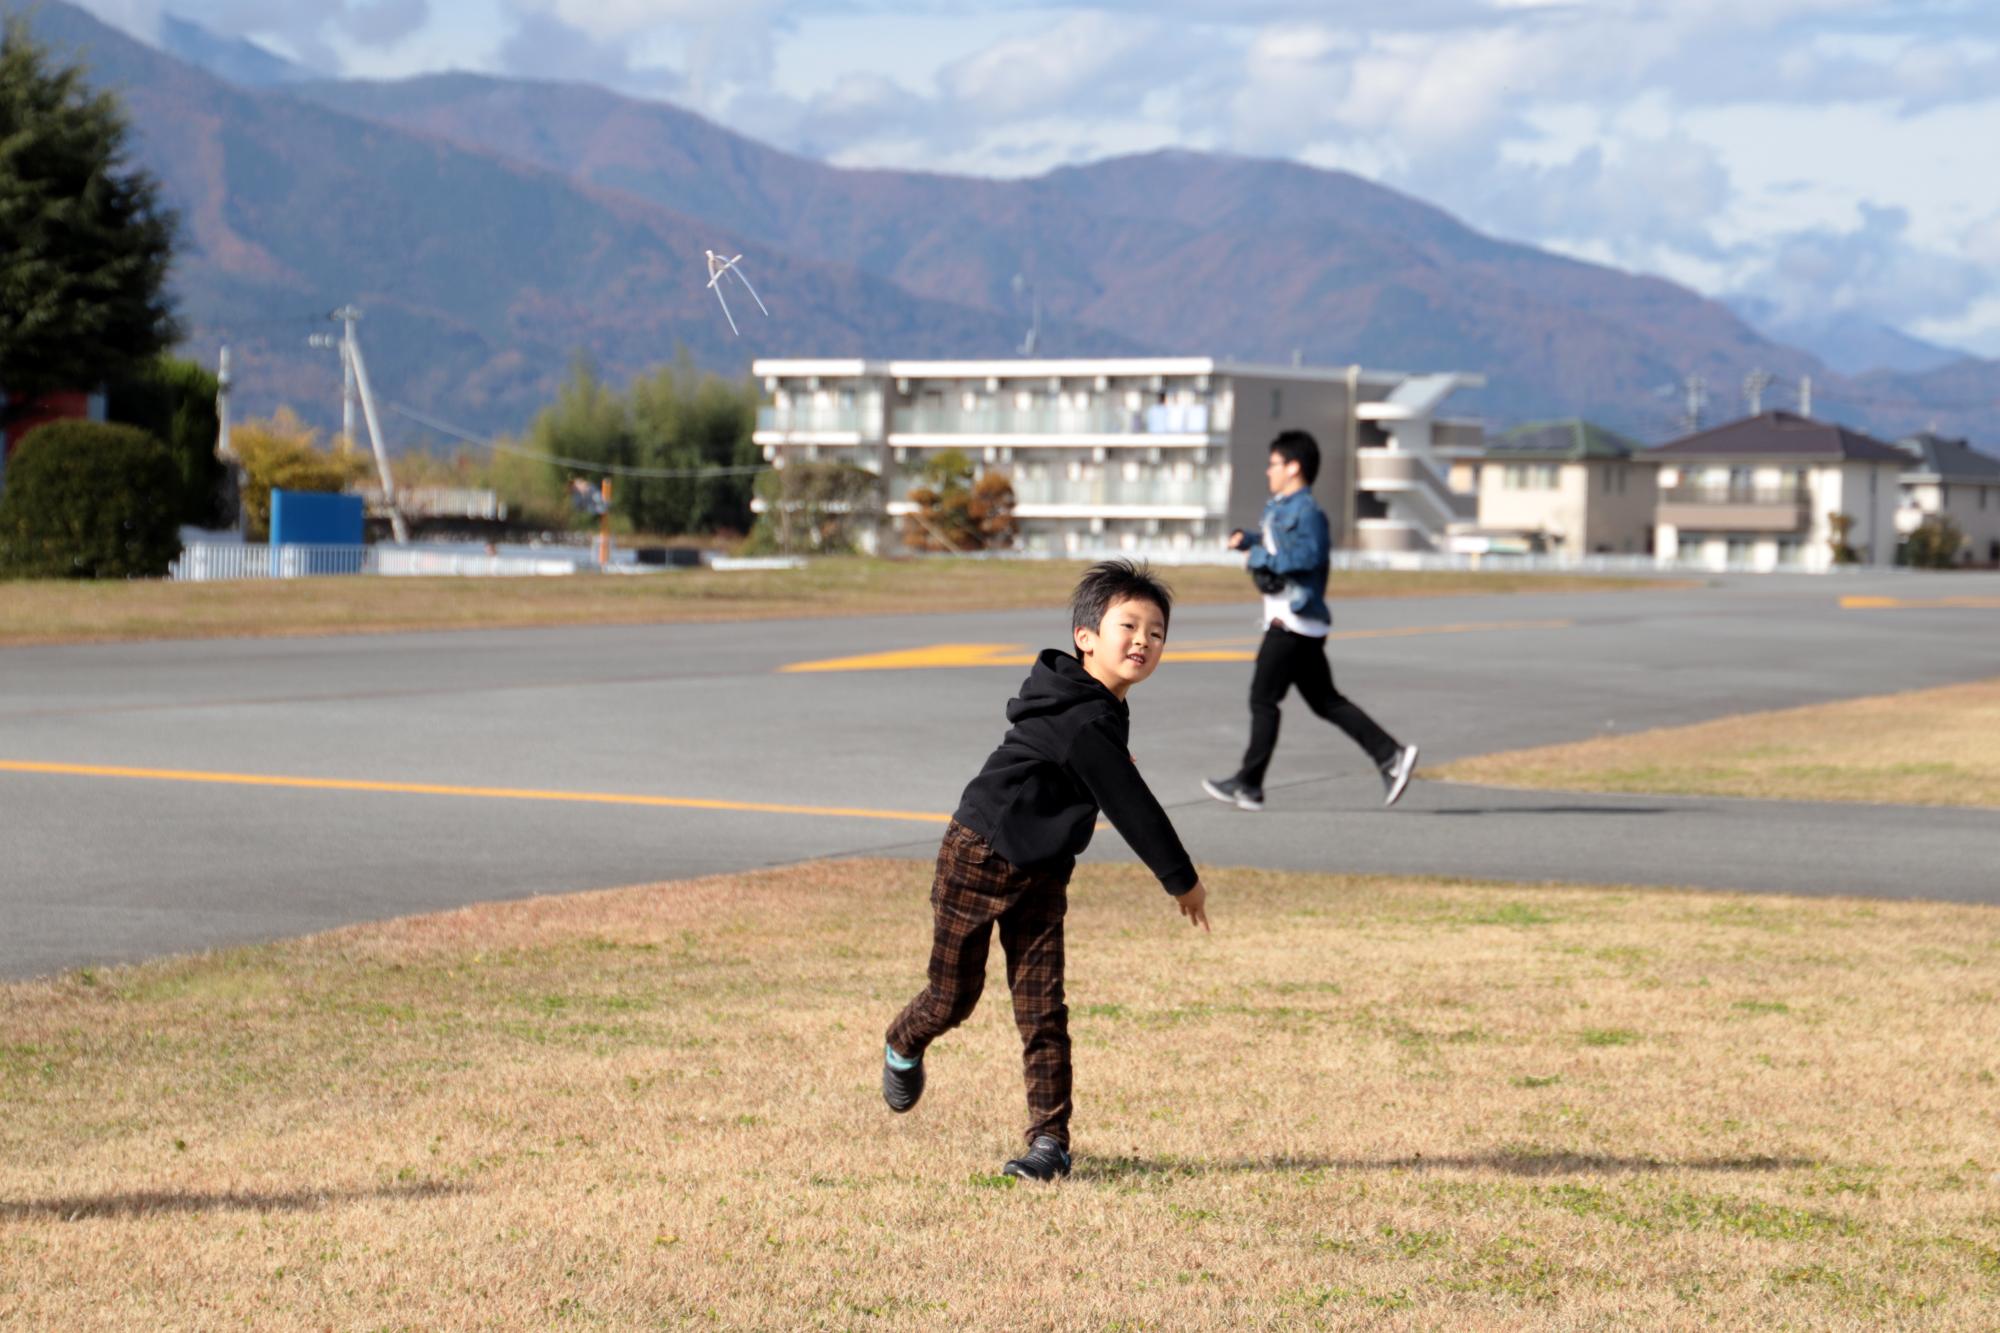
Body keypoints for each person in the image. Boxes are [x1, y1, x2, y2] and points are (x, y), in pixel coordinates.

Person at [882, 560, 1212, 1181]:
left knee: (1042, 1012)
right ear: (1086, 636)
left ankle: (1049, 1143)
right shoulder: (1084, 715)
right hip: (977, 857)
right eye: (1129, 625)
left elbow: (1099, 768)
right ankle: (903, 1041)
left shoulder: (1096, 706)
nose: (1143, 640)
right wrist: (1181, 879)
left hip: (1044, 874)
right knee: (953, 998)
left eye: (1157, 632)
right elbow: (1132, 804)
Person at [1203, 430, 1419, 813]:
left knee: (1263, 700)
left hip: (1293, 623)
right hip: (1297, 625)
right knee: (1325, 702)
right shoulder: (1280, 508)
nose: (1268, 471)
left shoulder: (1309, 513)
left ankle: (1249, 785)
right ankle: (1391, 756)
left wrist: (1257, 557)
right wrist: (1249, 539)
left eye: (1273, 464)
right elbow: (1279, 545)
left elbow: (1306, 557)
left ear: (1293, 467)